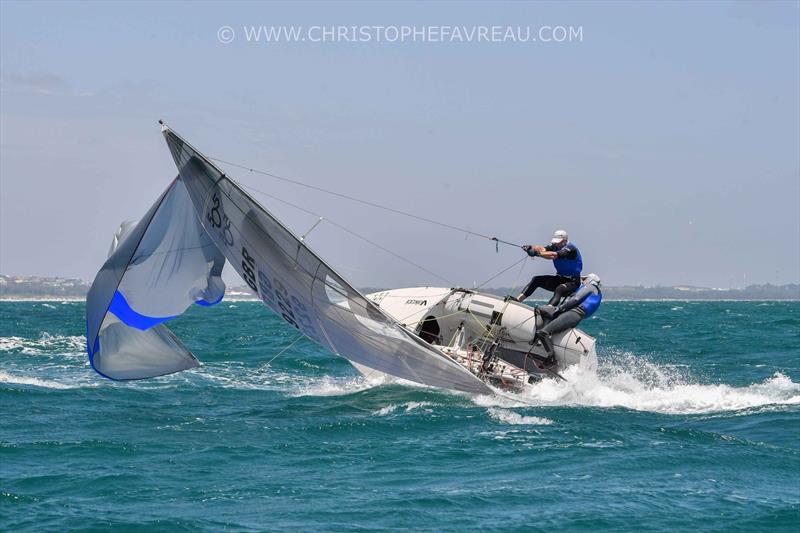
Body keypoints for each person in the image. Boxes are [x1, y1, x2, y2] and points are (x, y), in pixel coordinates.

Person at [532, 273, 602, 366]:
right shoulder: (594, 291)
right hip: (574, 314)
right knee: (542, 311)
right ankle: (539, 340)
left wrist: (559, 308)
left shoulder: (591, 286)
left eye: (585, 279)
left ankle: (551, 358)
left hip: (574, 313)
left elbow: (576, 299)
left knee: (543, 333)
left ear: (590, 280)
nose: (583, 281)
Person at [516, 229, 582, 305]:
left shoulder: (571, 249)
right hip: (559, 279)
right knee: (536, 280)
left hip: (572, 283)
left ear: (564, 241)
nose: (556, 244)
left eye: (558, 242)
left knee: (559, 289)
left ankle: (549, 308)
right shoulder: (555, 246)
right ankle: (517, 301)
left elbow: (553, 255)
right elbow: (542, 249)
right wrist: (531, 247)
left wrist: (537, 254)